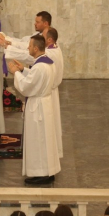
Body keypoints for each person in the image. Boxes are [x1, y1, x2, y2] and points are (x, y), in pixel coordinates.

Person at [8, 35, 59, 185]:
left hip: (37, 108)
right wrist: (23, 69)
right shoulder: (48, 63)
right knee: (46, 140)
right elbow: (36, 78)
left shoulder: (39, 66)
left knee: (38, 140)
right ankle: (49, 171)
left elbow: (26, 87)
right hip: (45, 105)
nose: (28, 48)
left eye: (30, 46)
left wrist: (15, 72)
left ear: (36, 48)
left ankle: (41, 173)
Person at [44, 27, 64, 158]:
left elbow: (28, 56)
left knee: (49, 127)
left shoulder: (50, 54)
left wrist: (18, 72)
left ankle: (51, 153)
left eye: (43, 36)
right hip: (51, 92)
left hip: (47, 94)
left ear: (50, 39)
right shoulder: (54, 48)